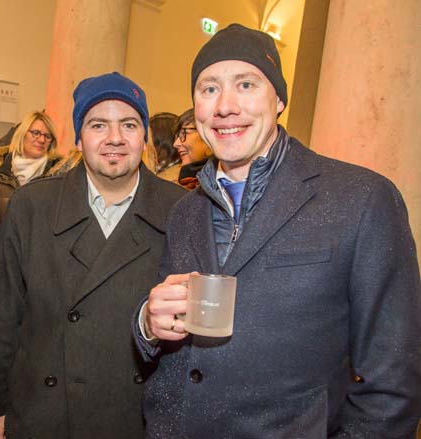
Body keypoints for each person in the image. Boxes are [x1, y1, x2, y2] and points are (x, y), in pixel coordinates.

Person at [134, 23, 421, 438]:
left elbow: (393, 384)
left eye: (246, 84)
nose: (225, 106)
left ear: (280, 99)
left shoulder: (360, 200)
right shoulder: (185, 212)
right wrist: (147, 322)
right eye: (209, 89)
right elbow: (171, 336)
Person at [0, 72, 186, 439]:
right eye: (98, 125)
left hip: (136, 416)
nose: (114, 138)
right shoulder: (33, 206)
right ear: (79, 138)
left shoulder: (180, 210)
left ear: (144, 136)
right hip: (43, 412)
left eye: (129, 124)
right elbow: (3, 316)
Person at [0, 110, 60, 222]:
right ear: (22, 135)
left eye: (47, 136)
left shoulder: (58, 177)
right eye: (36, 133)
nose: (42, 140)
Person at [172, 108, 213, 189]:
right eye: (178, 136)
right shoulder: (180, 184)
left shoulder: (226, 180)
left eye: (184, 133)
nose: (175, 144)